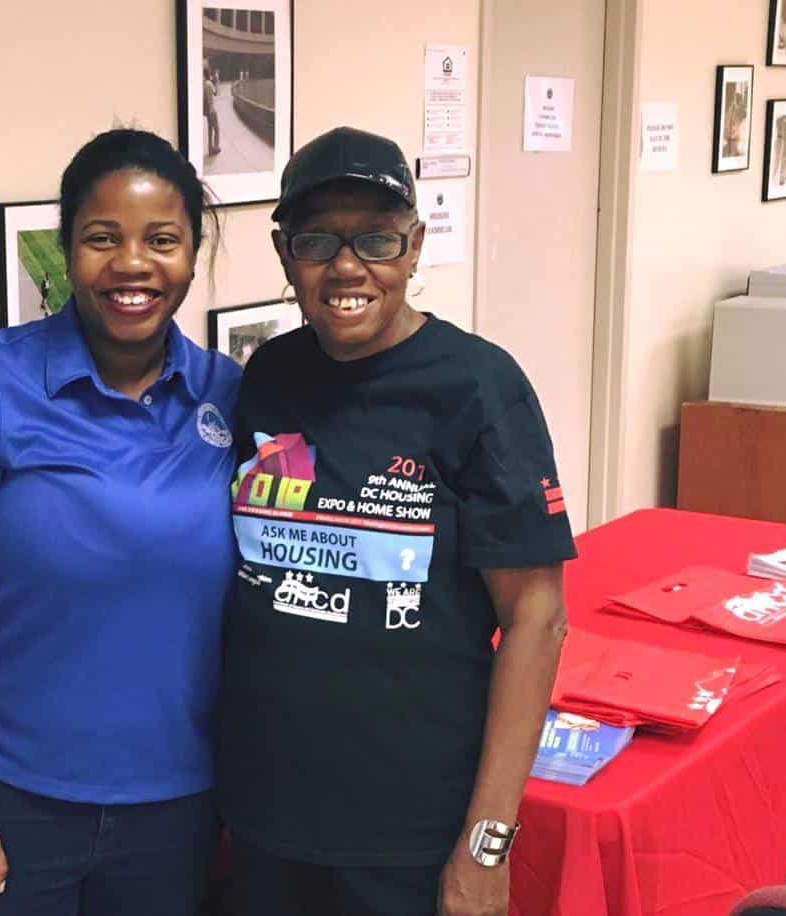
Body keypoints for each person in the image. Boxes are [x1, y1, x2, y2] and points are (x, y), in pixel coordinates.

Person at [218, 126, 576, 916]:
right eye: (318, 240)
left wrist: (487, 844)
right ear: (285, 256)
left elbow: (536, 620)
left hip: (411, 833)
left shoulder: (480, 388)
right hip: (264, 817)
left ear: (414, 248)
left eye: (377, 238)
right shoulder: (269, 377)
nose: (347, 266)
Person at [0, 128, 240, 916]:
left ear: (193, 253)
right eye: (101, 238)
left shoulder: (232, 396)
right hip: (9, 804)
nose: (132, 265)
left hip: (179, 810)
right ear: (66, 249)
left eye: (162, 240)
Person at [204, 64, 221, 156]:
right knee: (217, 129)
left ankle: (209, 149)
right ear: (209, 73)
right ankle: (216, 148)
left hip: (207, 111)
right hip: (212, 111)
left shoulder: (203, 84)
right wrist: (217, 80)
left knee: (210, 130)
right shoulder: (209, 84)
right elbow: (216, 93)